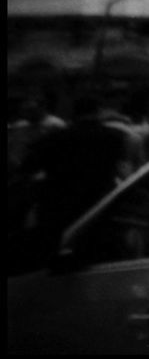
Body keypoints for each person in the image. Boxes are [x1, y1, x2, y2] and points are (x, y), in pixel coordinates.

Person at [19, 95, 129, 263]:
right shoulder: (115, 137)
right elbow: (121, 167)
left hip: (61, 207)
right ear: (98, 112)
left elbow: (28, 167)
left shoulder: (56, 137)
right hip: (100, 203)